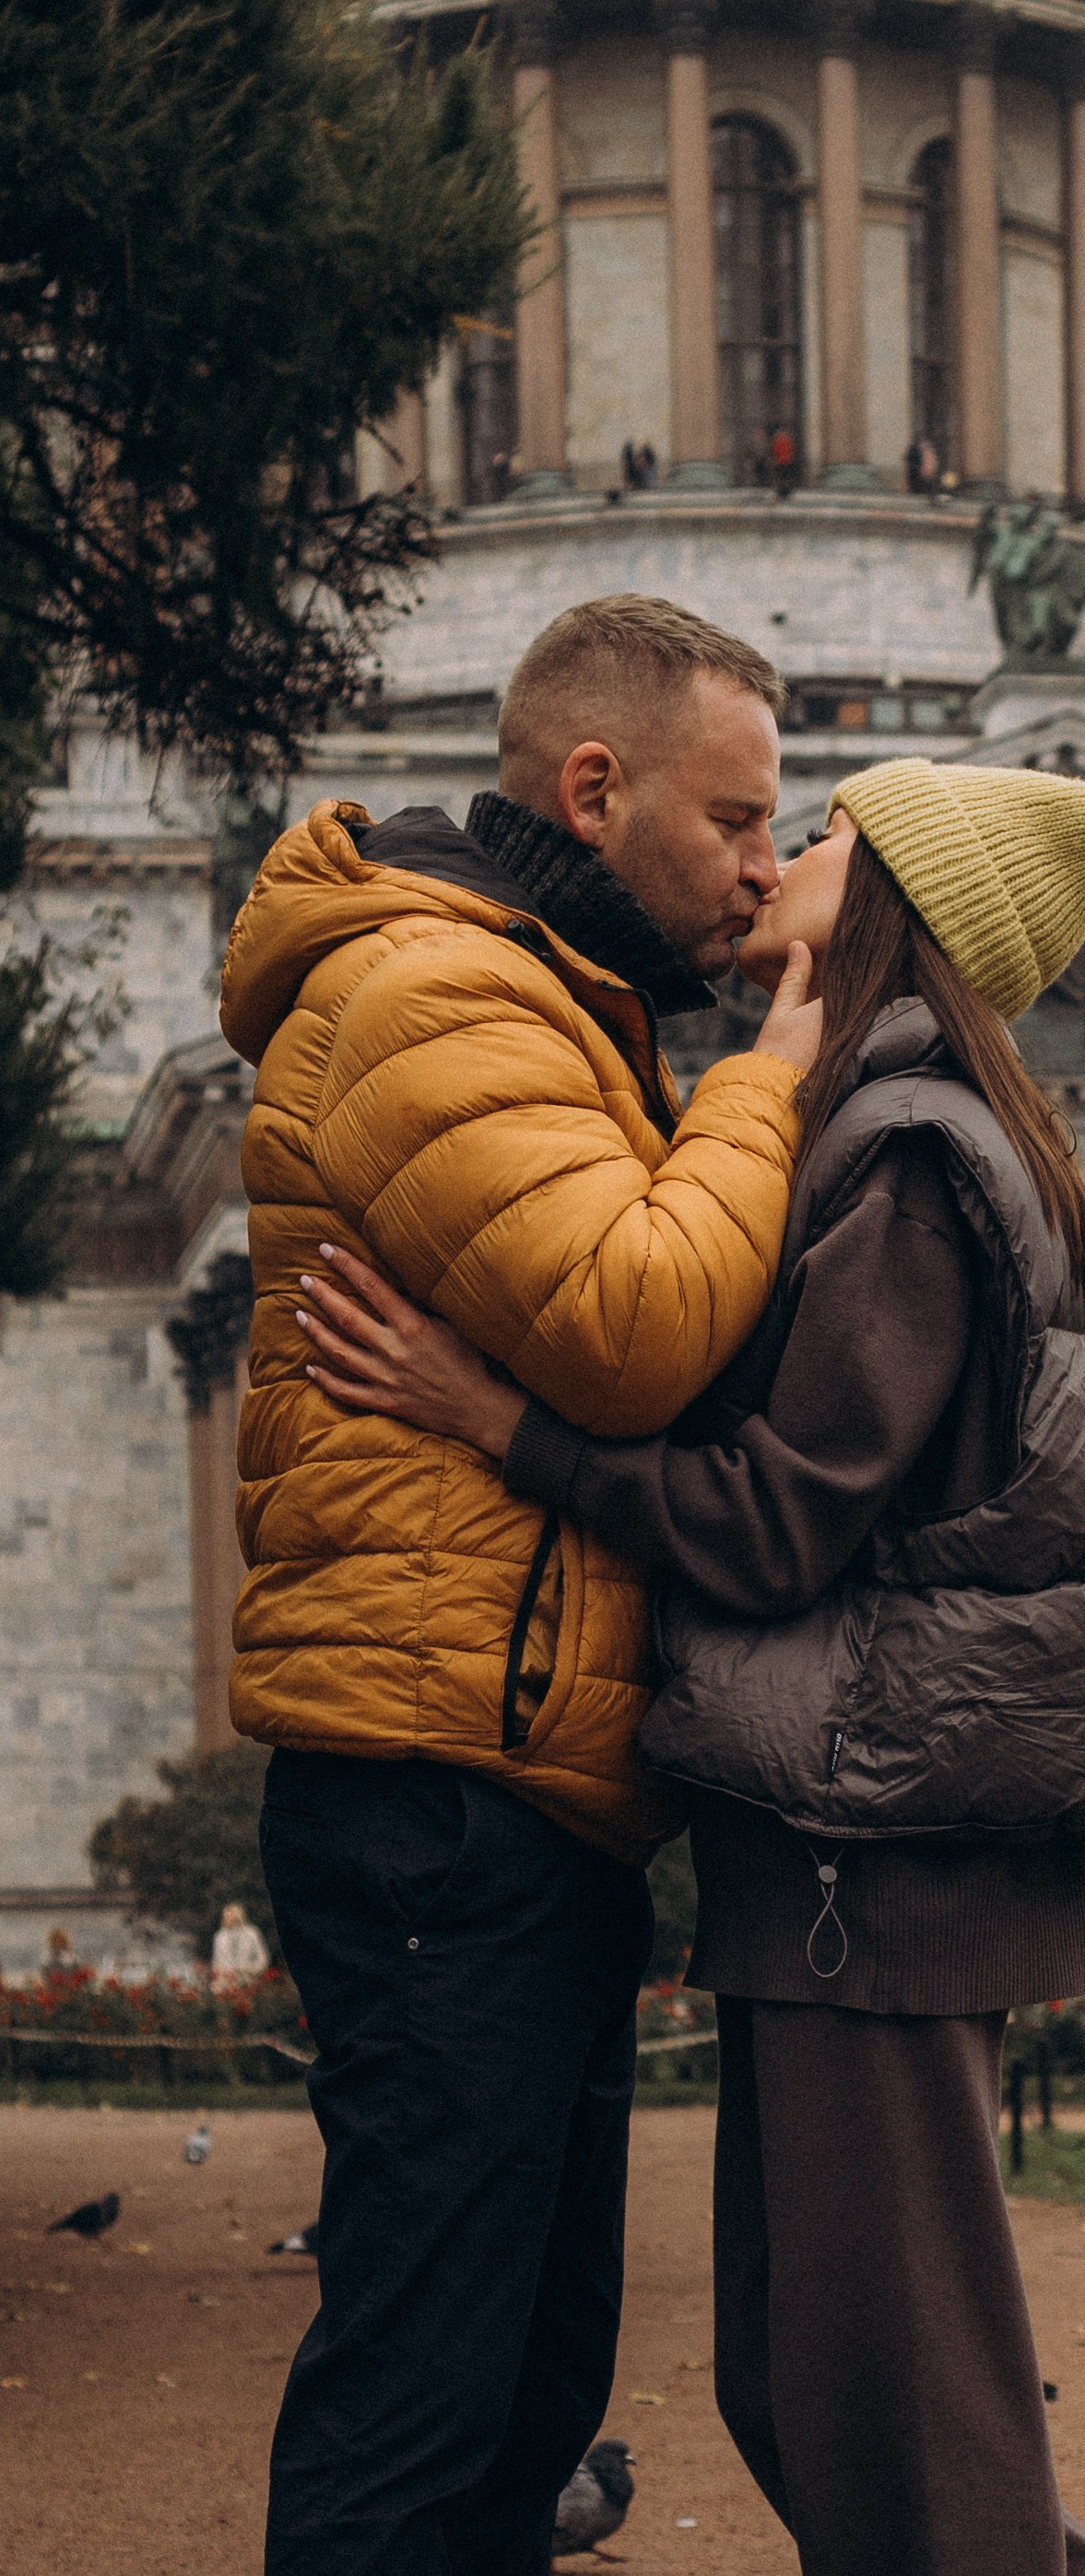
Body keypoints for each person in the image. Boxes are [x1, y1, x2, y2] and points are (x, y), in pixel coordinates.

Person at [295, 757, 1085, 2576]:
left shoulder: (903, 1153)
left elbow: (783, 1516)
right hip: (848, 1842)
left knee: (891, 2415)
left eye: (825, 834)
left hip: (872, 1856)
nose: (778, 854)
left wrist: (500, 1419)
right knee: (818, 2389)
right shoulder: (891, 1124)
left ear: (900, 902)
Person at [218, 592, 823, 2576]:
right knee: (422, 2394)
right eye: (733, 819)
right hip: (439, 1785)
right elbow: (638, 1322)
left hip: (509, 1775)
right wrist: (777, 1071)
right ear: (591, 787)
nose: (762, 868)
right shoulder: (436, 989)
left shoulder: (547, 999)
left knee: (519, 2389)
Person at [210, 1900, 270, 1989]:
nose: (226, 1919)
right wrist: (217, 1983)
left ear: (238, 1916)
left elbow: (263, 1960)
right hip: (225, 1986)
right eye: (225, 1916)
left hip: (249, 1984)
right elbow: (216, 1962)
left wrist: (247, 1970)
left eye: (229, 1916)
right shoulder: (219, 1936)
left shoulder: (252, 1933)